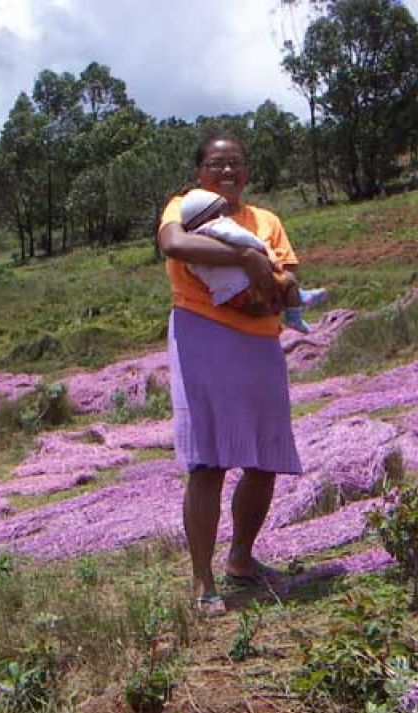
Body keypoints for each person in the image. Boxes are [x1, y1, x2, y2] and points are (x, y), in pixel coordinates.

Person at [158, 133, 303, 617]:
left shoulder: (266, 221)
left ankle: (241, 560)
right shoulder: (183, 206)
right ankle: (203, 581)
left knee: (263, 458)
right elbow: (174, 243)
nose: (227, 172)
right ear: (199, 171)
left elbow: (288, 277)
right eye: (217, 164)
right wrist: (243, 257)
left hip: (260, 340)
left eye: (236, 164)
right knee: (208, 462)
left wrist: (279, 282)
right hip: (202, 334)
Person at [179, 188, 326, 333]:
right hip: (247, 286)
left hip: (228, 297)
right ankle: (295, 315)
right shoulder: (217, 226)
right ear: (209, 215)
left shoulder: (193, 242)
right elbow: (241, 237)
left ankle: (296, 299)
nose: (222, 215)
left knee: (267, 302)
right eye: (218, 212)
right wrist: (261, 248)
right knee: (289, 280)